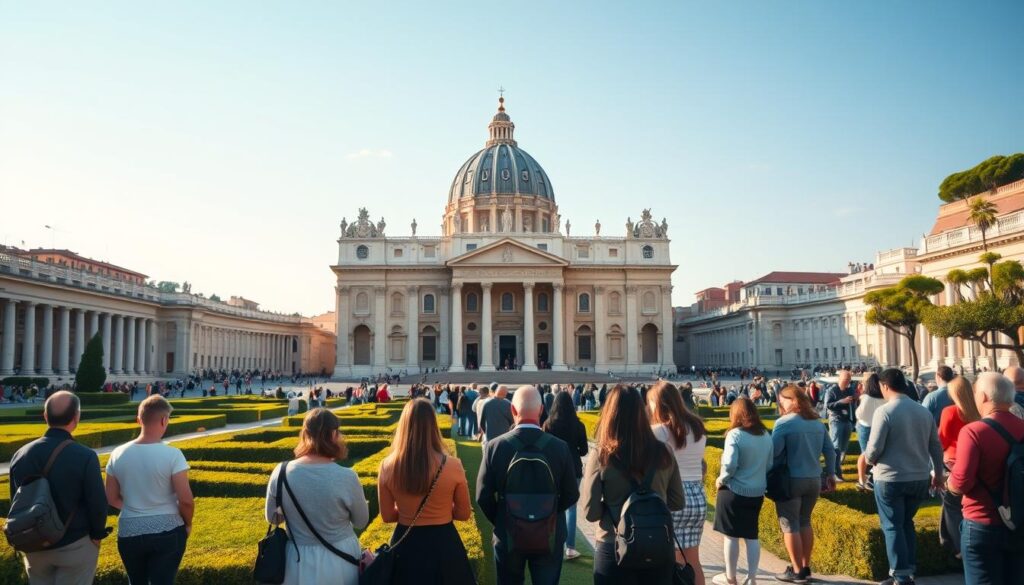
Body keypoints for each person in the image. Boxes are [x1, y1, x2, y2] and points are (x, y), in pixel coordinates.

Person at [582, 384, 684, 585]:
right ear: (642, 412)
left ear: (610, 414)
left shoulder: (602, 455)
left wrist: (613, 508)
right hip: (657, 545)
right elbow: (677, 501)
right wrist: (652, 505)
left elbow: (590, 512)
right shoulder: (664, 452)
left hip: (613, 544)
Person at [477, 386, 579, 585]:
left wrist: (502, 516)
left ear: (513, 411)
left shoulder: (495, 447)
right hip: (549, 533)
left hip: (508, 532)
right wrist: (549, 513)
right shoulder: (560, 447)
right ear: (541, 410)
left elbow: (483, 496)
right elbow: (571, 494)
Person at [8, 391, 108, 585]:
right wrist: (97, 535)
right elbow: (97, 502)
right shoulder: (85, 456)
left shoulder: (20, 454)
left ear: (45, 416)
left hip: (34, 543)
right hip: (75, 543)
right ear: (76, 418)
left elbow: (16, 501)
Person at [264, 408, 369, 584]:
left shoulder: (280, 472)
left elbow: (272, 517)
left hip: (297, 558)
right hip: (340, 559)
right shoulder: (347, 477)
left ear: (305, 434)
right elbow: (361, 521)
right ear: (333, 435)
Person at [378, 399, 475, 584]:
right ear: (433, 425)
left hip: (405, 543)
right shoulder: (453, 465)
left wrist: (408, 511)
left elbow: (388, 516)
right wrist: (441, 510)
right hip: (444, 543)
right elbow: (463, 514)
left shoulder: (387, 466)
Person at [863, 369, 944, 585]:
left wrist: (870, 459)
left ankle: (900, 573)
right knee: (906, 523)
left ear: (885, 386)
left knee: (892, 525)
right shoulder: (922, 411)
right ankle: (909, 570)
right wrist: (939, 473)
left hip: (890, 477)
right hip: (919, 476)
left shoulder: (885, 411)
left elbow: (873, 450)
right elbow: (935, 446)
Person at [105, 395, 194, 585]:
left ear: (139, 420)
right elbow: (186, 500)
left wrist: (135, 506)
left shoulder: (117, 453)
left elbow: (111, 498)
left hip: (129, 529)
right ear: (164, 420)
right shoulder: (172, 454)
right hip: (168, 528)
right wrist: (187, 524)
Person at [947, 372, 1024, 585]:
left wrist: (948, 483)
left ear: (983, 397)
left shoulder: (974, 431)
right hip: (1019, 521)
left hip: (982, 521)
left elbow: (962, 481)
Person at [771, 385, 836, 584]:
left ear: (792, 400)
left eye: (783, 399)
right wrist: (831, 474)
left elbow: (773, 453)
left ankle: (797, 571)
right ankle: (805, 567)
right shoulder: (816, 422)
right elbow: (830, 451)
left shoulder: (783, 423)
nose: (780, 402)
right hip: (814, 480)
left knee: (790, 525)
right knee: (805, 521)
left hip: (791, 480)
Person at [647, 380, 708, 585]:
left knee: (670, 562)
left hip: (673, 497)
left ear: (658, 403)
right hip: (697, 497)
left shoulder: (659, 431)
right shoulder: (697, 427)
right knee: (693, 560)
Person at [712, 396, 773, 585]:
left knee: (731, 536)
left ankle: (730, 577)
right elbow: (769, 464)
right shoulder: (765, 434)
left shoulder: (735, 434)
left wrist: (721, 480)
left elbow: (730, 464)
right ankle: (752, 578)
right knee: (751, 535)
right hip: (756, 493)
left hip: (734, 491)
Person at [936, 376, 980, 558]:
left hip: (952, 461)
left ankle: (958, 546)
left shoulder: (950, 411)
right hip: (974, 461)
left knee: (951, 504)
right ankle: (948, 540)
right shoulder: (978, 411)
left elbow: (941, 439)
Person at [542, 390, 589, 561]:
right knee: (571, 507)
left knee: (551, 504)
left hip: (553, 468)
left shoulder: (548, 424)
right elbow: (584, 451)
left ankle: (548, 542)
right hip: (573, 468)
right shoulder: (579, 425)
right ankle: (570, 547)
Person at [823, 370, 856, 482]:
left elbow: (853, 405)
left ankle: (836, 469)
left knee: (843, 448)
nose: (847, 382)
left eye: (849, 380)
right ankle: (835, 473)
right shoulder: (831, 390)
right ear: (840, 379)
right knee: (836, 447)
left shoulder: (850, 390)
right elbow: (828, 405)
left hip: (847, 421)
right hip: (836, 420)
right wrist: (842, 401)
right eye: (846, 380)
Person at [854, 373, 886, 491]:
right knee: (875, 453)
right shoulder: (884, 398)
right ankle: (869, 478)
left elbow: (859, 414)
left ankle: (862, 479)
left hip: (865, 426)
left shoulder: (866, 398)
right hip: (877, 427)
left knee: (864, 453)